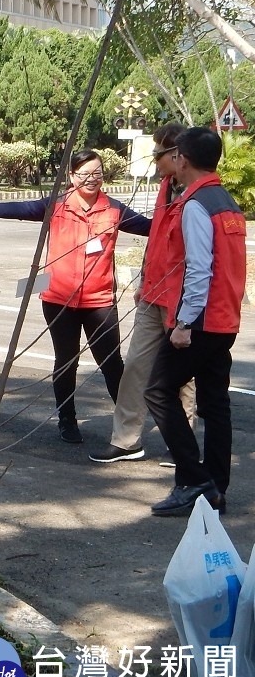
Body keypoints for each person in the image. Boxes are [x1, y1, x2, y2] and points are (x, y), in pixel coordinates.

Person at [0, 150, 151, 444]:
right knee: (66, 360)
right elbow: (25, 208)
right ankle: (67, 419)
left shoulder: (114, 210)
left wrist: (178, 215)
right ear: (71, 176)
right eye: (84, 174)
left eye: (97, 173)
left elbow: (150, 227)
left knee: (112, 363)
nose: (92, 179)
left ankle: (127, 425)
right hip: (58, 298)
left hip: (99, 300)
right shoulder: (58, 206)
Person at [147, 128, 246, 516]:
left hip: (203, 319)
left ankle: (194, 479)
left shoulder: (196, 204)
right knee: (215, 404)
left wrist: (184, 322)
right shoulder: (227, 202)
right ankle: (215, 489)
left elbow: (200, 270)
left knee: (157, 389)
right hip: (226, 318)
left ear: (182, 160)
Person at [90, 123, 196, 463]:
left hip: (181, 296)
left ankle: (182, 441)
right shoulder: (165, 186)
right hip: (153, 292)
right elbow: (157, 238)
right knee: (136, 365)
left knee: (181, 375)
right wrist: (141, 280)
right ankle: (126, 439)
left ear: (177, 155)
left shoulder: (197, 193)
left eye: (158, 153)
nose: (154, 160)